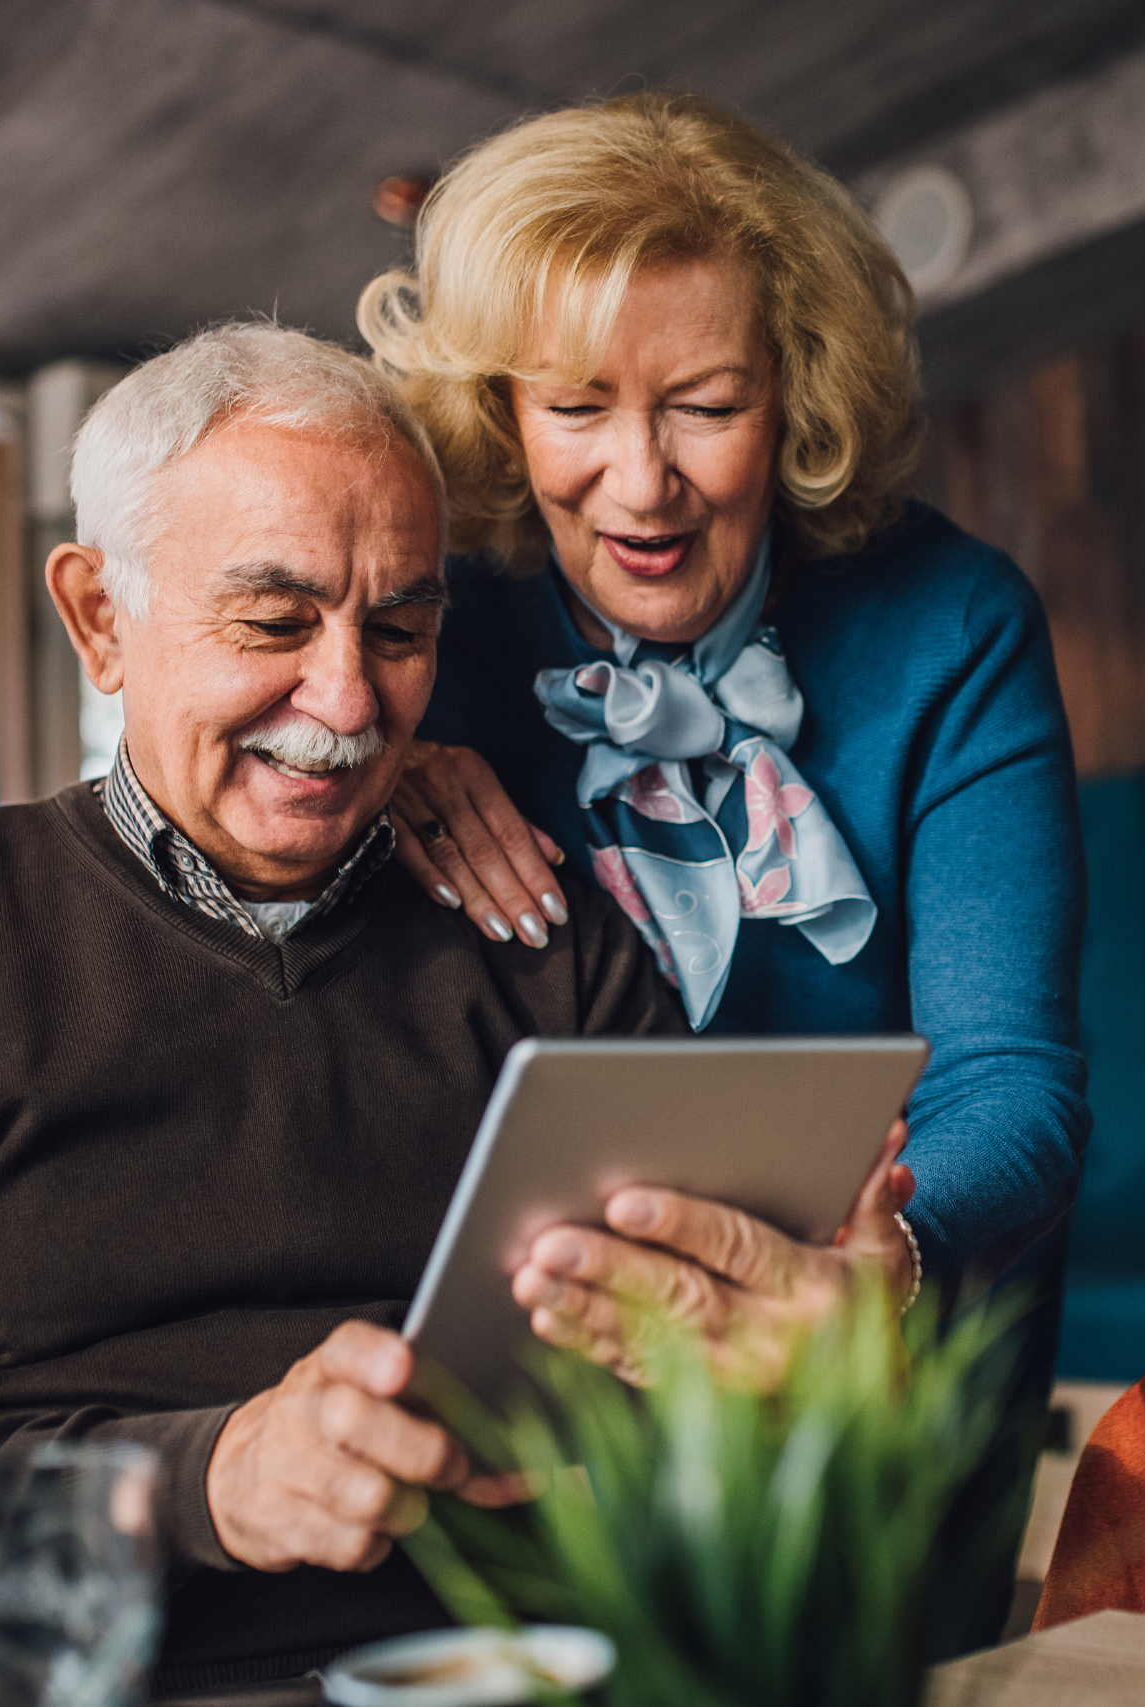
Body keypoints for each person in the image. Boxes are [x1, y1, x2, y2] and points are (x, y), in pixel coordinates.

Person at [0, 324, 918, 1696]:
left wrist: (811, 1365)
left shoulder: (552, 947)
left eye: (402, 628)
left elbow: (701, 1467)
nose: (351, 700)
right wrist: (202, 1485)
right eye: (273, 620)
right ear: (98, 618)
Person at [357, 93, 1089, 1381]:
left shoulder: (950, 623)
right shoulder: (421, 639)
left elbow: (1011, 1077)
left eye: (705, 405)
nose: (643, 484)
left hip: (882, 1350)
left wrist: (884, 1275)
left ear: (797, 396)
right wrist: (375, 767)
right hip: (544, 1363)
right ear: (499, 407)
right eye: (576, 409)